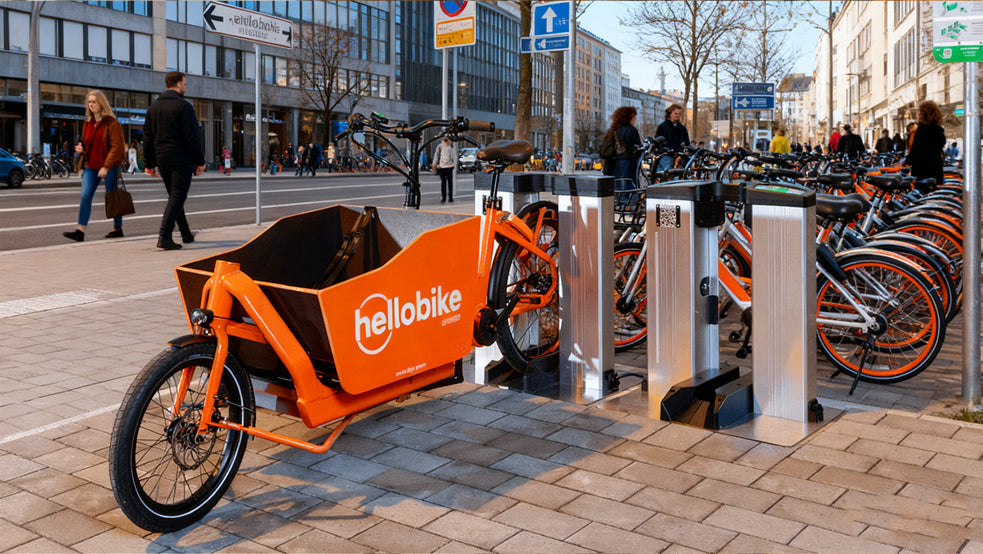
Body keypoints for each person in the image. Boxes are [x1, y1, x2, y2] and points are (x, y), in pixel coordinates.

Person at [143, 71, 205, 251]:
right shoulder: (183, 107)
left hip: (163, 160)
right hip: (181, 159)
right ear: (178, 84)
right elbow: (193, 137)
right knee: (178, 196)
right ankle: (164, 235)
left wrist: (149, 163)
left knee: (175, 197)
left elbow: (147, 138)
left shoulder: (153, 108)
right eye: (184, 83)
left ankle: (185, 233)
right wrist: (200, 161)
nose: (185, 87)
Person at [62, 90, 127, 242]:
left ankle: (118, 228)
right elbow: (87, 144)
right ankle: (80, 231)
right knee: (85, 196)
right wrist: (82, 149)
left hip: (109, 166)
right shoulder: (87, 124)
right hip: (91, 165)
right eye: (89, 102)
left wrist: (107, 166)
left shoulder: (112, 123)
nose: (91, 105)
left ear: (101, 103)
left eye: (94, 102)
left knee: (112, 197)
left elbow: (117, 147)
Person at [600, 106, 642, 198]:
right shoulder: (631, 130)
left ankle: (617, 206)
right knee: (628, 189)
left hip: (612, 165)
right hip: (627, 164)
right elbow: (637, 149)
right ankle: (626, 206)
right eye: (634, 117)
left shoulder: (612, 130)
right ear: (628, 117)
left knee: (616, 188)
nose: (635, 119)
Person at [906, 100, 946, 186]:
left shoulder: (921, 130)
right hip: (936, 169)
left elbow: (915, 150)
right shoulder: (938, 130)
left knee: (922, 197)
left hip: (922, 171)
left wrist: (907, 162)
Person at [655, 103, 689, 171]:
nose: (678, 116)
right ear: (670, 114)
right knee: (669, 172)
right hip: (666, 155)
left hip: (680, 156)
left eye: (679, 114)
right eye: (675, 114)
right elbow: (657, 143)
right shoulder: (663, 127)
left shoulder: (682, 128)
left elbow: (687, 143)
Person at [432, 137, 455, 203]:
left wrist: (453, 165)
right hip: (442, 166)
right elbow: (436, 155)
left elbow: (454, 156)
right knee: (443, 183)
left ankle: (450, 197)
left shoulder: (451, 146)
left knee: (450, 182)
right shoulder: (440, 146)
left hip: (450, 166)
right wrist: (434, 164)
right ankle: (443, 197)